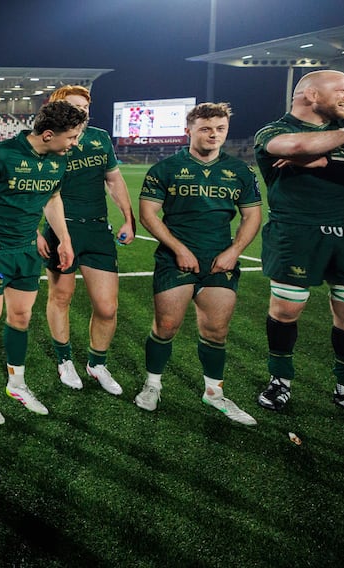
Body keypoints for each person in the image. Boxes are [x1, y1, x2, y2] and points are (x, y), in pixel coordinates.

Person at [0, 100, 87, 425]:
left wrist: (65, 240)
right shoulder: (1, 154)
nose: (75, 143)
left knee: (21, 317)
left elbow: (53, 198)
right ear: (47, 134)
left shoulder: (58, 160)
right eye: (71, 137)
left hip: (27, 251)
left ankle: (16, 384)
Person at [134, 102, 262, 425]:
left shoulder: (240, 171)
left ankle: (214, 393)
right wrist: (178, 248)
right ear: (188, 130)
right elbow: (148, 214)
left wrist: (235, 250)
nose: (213, 135)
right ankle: (152, 384)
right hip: (175, 259)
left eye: (220, 129)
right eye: (206, 128)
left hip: (220, 259)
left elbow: (252, 216)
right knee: (166, 327)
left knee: (216, 331)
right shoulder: (165, 169)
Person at [253, 70, 344, 414]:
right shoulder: (275, 130)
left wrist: (324, 164)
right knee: (286, 310)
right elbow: (296, 146)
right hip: (296, 232)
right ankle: (279, 380)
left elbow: (314, 156)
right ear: (311, 95)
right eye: (342, 90)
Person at [38, 85, 135, 393]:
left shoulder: (100, 138)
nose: (82, 112)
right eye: (74, 106)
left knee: (107, 307)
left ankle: (97, 364)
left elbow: (114, 179)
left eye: (85, 107)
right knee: (61, 296)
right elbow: (34, 189)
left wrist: (128, 219)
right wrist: (34, 231)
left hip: (97, 229)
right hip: (60, 229)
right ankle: (64, 360)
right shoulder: (48, 139)